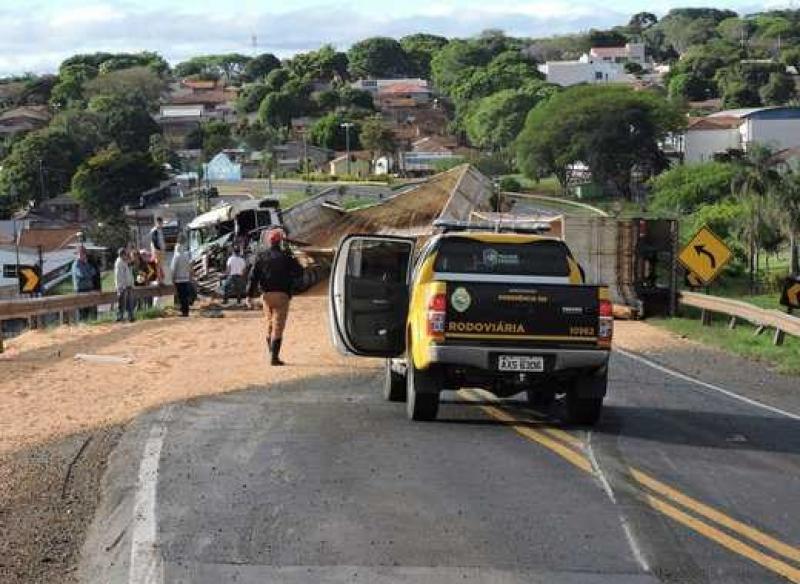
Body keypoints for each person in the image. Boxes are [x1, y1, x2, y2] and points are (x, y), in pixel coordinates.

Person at [246, 229, 302, 366]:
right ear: (280, 242)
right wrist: (292, 259)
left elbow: (253, 277)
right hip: (282, 295)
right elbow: (299, 272)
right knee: (278, 327)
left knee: (269, 324)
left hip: (266, 296)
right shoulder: (286, 257)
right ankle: (274, 358)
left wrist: (249, 295)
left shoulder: (261, 256)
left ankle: (271, 352)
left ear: (269, 242)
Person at [71, 246, 98, 321]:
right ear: (77, 254)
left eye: (83, 254)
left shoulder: (86, 263)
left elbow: (94, 272)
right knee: (82, 311)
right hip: (80, 290)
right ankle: (81, 326)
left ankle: (88, 325)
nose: (82, 255)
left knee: (89, 309)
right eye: (80, 254)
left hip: (89, 289)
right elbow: (82, 275)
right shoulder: (76, 264)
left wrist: (88, 272)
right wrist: (88, 272)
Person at [170, 243, 194, 317]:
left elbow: (173, 269)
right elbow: (190, 267)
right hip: (186, 279)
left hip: (178, 280)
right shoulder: (186, 256)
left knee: (181, 296)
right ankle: (186, 311)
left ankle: (183, 312)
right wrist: (190, 276)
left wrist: (172, 279)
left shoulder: (176, 257)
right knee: (185, 296)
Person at [114, 247, 135, 322]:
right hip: (122, 286)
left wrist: (131, 284)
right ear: (122, 255)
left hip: (128, 285)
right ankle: (120, 317)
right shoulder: (119, 263)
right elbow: (118, 276)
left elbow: (129, 274)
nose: (127, 255)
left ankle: (130, 316)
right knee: (122, 303)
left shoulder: (125, 262)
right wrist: (120, 286)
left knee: (130, 302)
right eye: (125, 254)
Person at [150, 217, 168, 284]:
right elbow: (154, 241)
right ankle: (158, 279)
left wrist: (164, 248)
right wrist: (159, 249)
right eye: (159, 223)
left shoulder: (160, 230)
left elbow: (162, 240)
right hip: (157, 251)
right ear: (157, 223)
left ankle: (160, 279)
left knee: (161, 265)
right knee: (157, 265)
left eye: (161, 223)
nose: (161, 224)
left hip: (161, 250)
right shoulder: (154, 230)